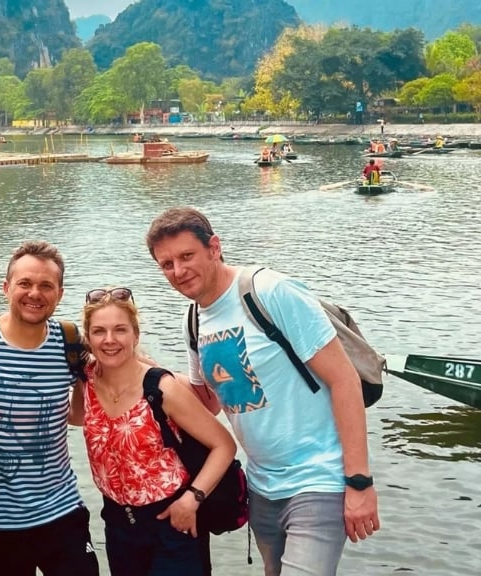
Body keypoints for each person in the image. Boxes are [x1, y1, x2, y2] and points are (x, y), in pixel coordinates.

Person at [145, 208, 380, 576]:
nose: (178, 271)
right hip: (262, 488)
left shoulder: (269, 292)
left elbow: (344, 380)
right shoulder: (193, 321)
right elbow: (208, 403)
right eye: (167, 264)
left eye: (187, 256)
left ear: (214, 247)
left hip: (318, 478)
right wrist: (141, 367)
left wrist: (359, 481)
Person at [73, 288, 236, 576]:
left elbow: (224, 445)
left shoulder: (161, 388)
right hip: (118, 524)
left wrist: (192, 498)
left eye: (120, 330)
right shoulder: (85, 381)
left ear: (135, 336)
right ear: (88, 338)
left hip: (172, 521)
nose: (109, 340)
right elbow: (75, 416)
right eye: (99, 331)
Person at [0, 240, 99, 576]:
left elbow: (79, 415)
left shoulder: (69, 340)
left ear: (60, 294)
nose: (34, 294)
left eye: (46, 286)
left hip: (61, 510)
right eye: (24, 283)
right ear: (6, 287)